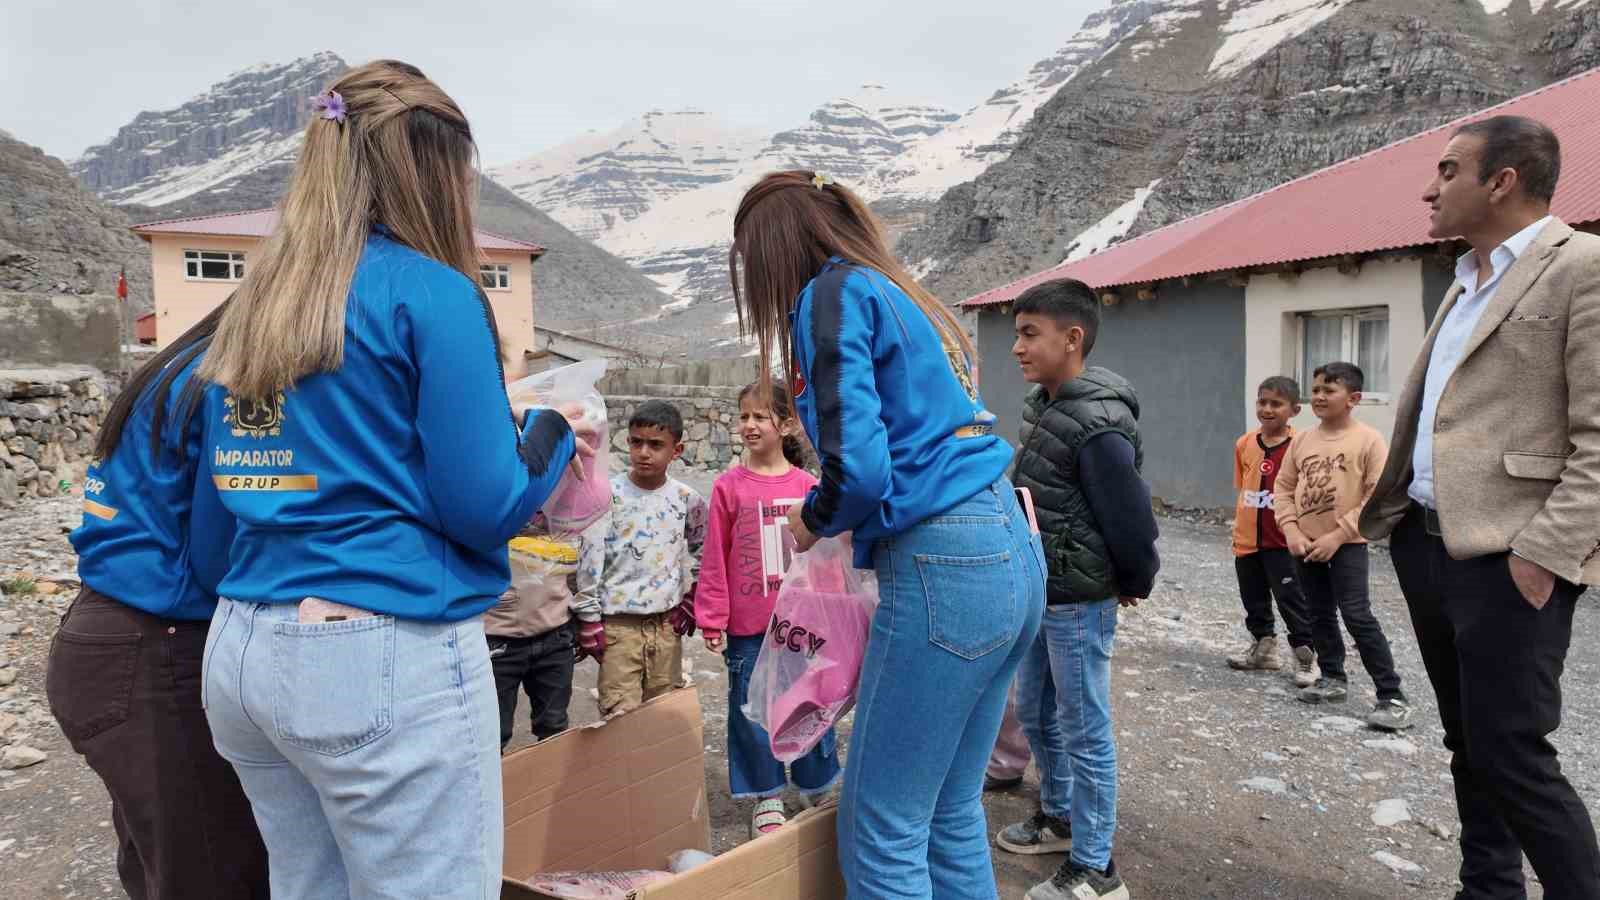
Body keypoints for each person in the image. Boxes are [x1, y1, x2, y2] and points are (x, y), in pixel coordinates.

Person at [195, 60, 584, 899]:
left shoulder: (261, 297)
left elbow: (219, 509)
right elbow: (484, 509)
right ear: (434, 172)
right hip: (375, 648)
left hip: (242, 643)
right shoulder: (433, 292)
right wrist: (551, 435)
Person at [730, 170, 1044, 900]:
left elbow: (860, 473)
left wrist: (811, 522)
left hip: (945, 564)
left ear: (771, 250)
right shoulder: (899, 295)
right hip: (1007, 547)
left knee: (881, 829)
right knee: (947, 810)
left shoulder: (829, 297)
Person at [1360, 114, 1600, 898]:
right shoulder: (1465, 279)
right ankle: (1488, 888)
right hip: (1429, 544)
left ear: (1502, 182)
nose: (1429, 189)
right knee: (1470, 741)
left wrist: (1544, 555)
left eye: (1449, 171)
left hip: (1511, 555)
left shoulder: (1583, 267)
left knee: (1513, 752)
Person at [46, 305, 268, 900]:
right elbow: (222, 557)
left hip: (106, 637)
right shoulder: (240, 382)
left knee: (162, 862)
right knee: (215, 873)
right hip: (156, 655)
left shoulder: (181, 364)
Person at [997, 278, 1159, 900]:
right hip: (1045, 589)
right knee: (1036, 709)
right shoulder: (1045, 405)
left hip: (1080, 600)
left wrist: (1133, 579)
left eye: (1029, 334)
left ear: (1073, 338)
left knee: (1084, 724)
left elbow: (1131, 516)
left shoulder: (1098, 423)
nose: (1017, 347)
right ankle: (1061, 816)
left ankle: (1097, 867)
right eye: (1016, 333)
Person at [696, 382, 840, 837]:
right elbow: (715, 557)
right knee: (750, 707)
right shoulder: (727, 488)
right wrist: (712, 616)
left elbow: (827, 558)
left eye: (761, 416)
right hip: (749, 628)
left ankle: (817, 783)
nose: (749, 425)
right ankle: (767, 794)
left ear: (788, 423)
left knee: (812, 702)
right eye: (744, 416)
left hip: (803, 625)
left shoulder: (810, 488)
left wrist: (833, 614)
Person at [1272, 362, 1410, 730]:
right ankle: (1332, 678)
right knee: (1318, 613)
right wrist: (1292, 531)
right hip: (1306, 544)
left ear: (1354, 398)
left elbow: (1376, 497)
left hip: (1347, 544)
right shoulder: (1302, 440)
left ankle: (1392, 696)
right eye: (1315, 390)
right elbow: (1283, 489)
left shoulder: (1368, 441)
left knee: (1357, 615)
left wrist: (1339, 535)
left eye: (1328, 391)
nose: (1318, 396)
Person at [576, 400, 707, 717]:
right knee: (619, 719)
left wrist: (693, 600)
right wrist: (589, 619)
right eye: (636, 442)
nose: (644, 452)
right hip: (619, 628)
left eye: (656, 444)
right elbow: (589, 560)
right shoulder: (608, 495)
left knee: (662, 717)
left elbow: (706, 552)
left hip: (666, 627)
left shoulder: (687, 500)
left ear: (677, 450)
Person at [1226, 375, 1317, 688]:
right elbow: (1244, 489)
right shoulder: (1245, 443)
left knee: (1292, 599)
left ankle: (1306, 656)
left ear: (1293, 410)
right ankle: (1263, 649)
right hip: (1248, 540)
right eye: (1262, 402)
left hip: (1283, 541)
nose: (1267, 409)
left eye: (1276, 404)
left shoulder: (1302, 446)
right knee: (1253, 598)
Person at [487, 516, 605, 749]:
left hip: (555, 636)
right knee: (493, 734)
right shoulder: (490, 509)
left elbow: (579, 573)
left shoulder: (565, 512)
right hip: (496, 642)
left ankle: (550, 784)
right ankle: (498, 785)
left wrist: (584, 623)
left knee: (554, 726)